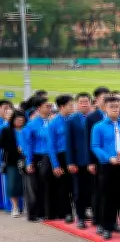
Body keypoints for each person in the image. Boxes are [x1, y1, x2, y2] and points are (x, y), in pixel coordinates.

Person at [91, 94, 120, 240]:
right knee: (107, 197)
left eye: (117, 106)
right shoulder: (98, 126)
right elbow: (95, 146)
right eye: (112, 107)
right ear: (105, 108)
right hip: (107, 166)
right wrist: (108, 157)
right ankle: (106, 226)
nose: (115, 109)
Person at [22, 97, 53, 222]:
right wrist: (29, 162)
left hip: (51, 156)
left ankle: (47, 211)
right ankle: (34, 213)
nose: (50, 107)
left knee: (47, 186)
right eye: (47, 106)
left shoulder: (50, 120)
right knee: (36, 187)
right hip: (38, 156)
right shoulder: (33, 124)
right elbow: (29, 144)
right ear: (39, 108)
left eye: (50, 105)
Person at [65, 93, 93, 229]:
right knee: (79, 191)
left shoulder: (95, 118)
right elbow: (68, 143)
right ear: (77, 104)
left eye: (86, 102)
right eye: (81, 102)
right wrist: (70, 162)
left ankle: (94, 215)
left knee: (93, 190)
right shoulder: (72, 120)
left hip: (94, 161)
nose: (84, 104)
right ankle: (80, 217)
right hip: (79, 161)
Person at [86, 87, 110, 234]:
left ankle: (110, 221)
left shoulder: (115, 117)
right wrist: (90, 161)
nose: (107, 100)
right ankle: (99, 220)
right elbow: (88, 142)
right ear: (97, 100)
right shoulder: (92, 118)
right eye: (104, 98)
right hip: (98, 160)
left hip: (113, 162)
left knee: (110, 193)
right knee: (99, 192)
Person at [48, 94, 75, 222]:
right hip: (62, 155)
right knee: (63, 186)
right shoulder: (53, 123)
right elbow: (51, 146)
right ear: (62, 106)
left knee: (76, 184)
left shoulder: (74, 119)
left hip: (74, 154)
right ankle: (67, 212)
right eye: (70, 105)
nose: (73, 107)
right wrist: (55, 165)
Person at [0, 109, 26, 217]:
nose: (20, 122)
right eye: (17, 120)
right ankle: (14, 207)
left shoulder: (26, 129)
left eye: (21, 120)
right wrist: (15, 149)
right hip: (12, 161)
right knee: (12, 184)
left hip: (27, 160)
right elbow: (2, 145)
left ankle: (24, 207)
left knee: (25, 184)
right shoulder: (7, 130)